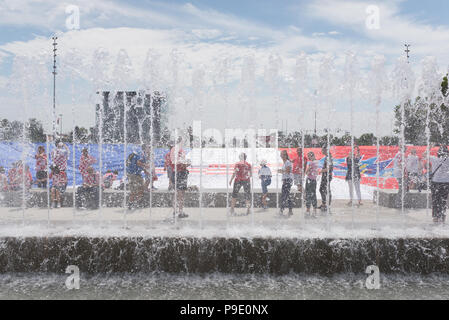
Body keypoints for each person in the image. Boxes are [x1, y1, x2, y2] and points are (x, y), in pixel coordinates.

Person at [170, 137, 190, 219]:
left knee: (181, 193)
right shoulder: (175, 149)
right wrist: (183, 163)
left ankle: (180, 211)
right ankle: (176, 211)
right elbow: (173, 161)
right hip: (178, 173)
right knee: (178, 193)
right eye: (183, 142)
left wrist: (186, 163)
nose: (184, 143)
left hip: (182, 172)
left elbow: (180, 161)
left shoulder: (181, 150)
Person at [429, 145, 449, 223]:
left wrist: (431, 146)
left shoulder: (434, 159)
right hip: (446, 183)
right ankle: (442, 218)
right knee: (443, 200)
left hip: (435, 182)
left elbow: (424, 155)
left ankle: (435, 218)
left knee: (435, 200)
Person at [278, 150, 293, 217]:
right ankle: (290, 210)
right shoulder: (285, 163)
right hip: (285, 180)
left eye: (282, 154)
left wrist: (281, 171)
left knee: (284, 195)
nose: (281, 156)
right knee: (287, 195)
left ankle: (282, 209)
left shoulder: (288, 162)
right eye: (281, 154)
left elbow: (288, 171)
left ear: (285, 155)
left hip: (288, 180)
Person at [319, 145, 333, 212]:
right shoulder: (327, 157)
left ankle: (327, 205)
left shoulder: (329, 157)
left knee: (325, 190)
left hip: (327, 176)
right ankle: (324, 204)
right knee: (322, 189)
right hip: (325, 175)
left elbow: (329, 167)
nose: (322, 151)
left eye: (322, 150)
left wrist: (322, 170)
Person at [304, 151, 319, 218]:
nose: (308, 158)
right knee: (313, 195)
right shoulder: (317, 162)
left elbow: (307, 172)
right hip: (314, 180)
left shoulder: (311, 163)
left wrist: (307, 170)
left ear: (311, 156)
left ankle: (308, 210)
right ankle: (315, 210)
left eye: (309, 156)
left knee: (308, 195)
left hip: (310, 180)